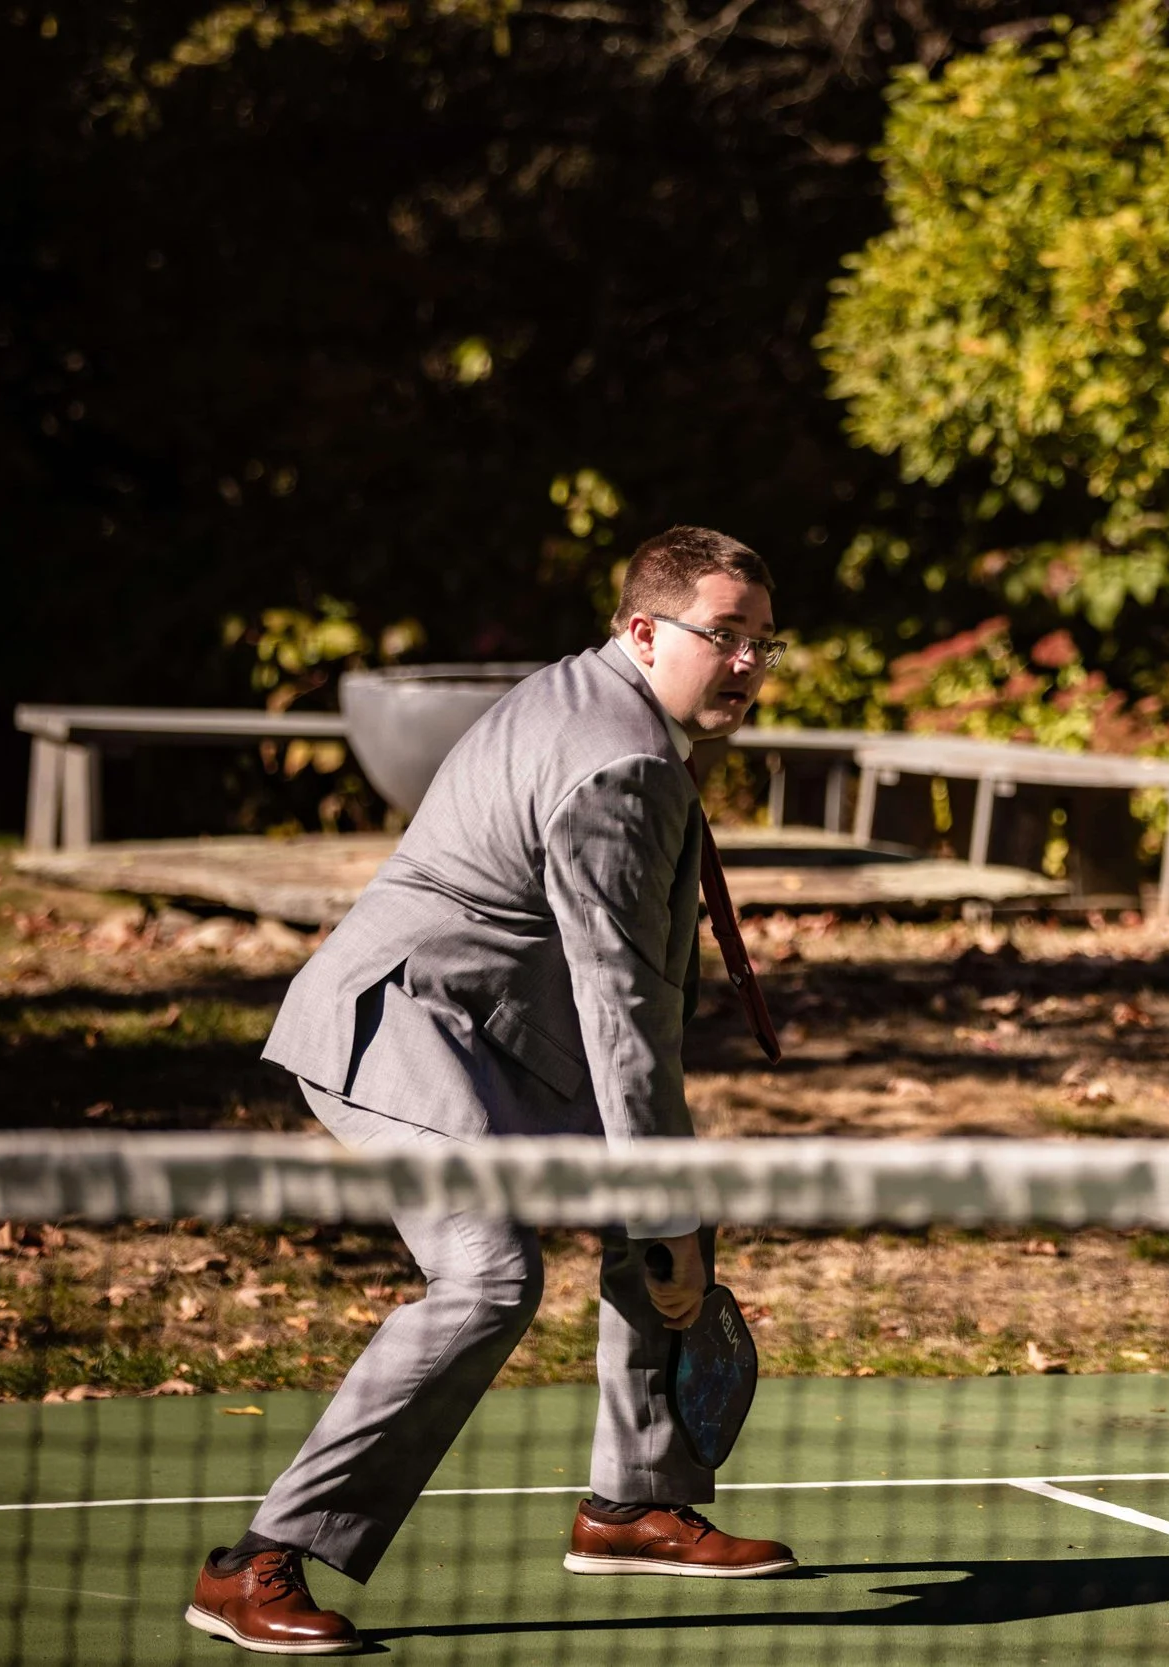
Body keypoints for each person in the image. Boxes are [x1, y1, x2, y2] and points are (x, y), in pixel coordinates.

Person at [187, 527, 798, 1656]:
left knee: (651, 1213)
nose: (750, 662)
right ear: (645, 630)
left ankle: (632, 1504)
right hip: (403, 1030)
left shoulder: (601, 698)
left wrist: (664, 1198)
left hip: (492, 1035)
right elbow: (627, 1009)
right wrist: (668, 1200)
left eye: (764, 639)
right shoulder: (623, 764)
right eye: (727, 636)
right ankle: (256, 1561)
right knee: (489, 1274)